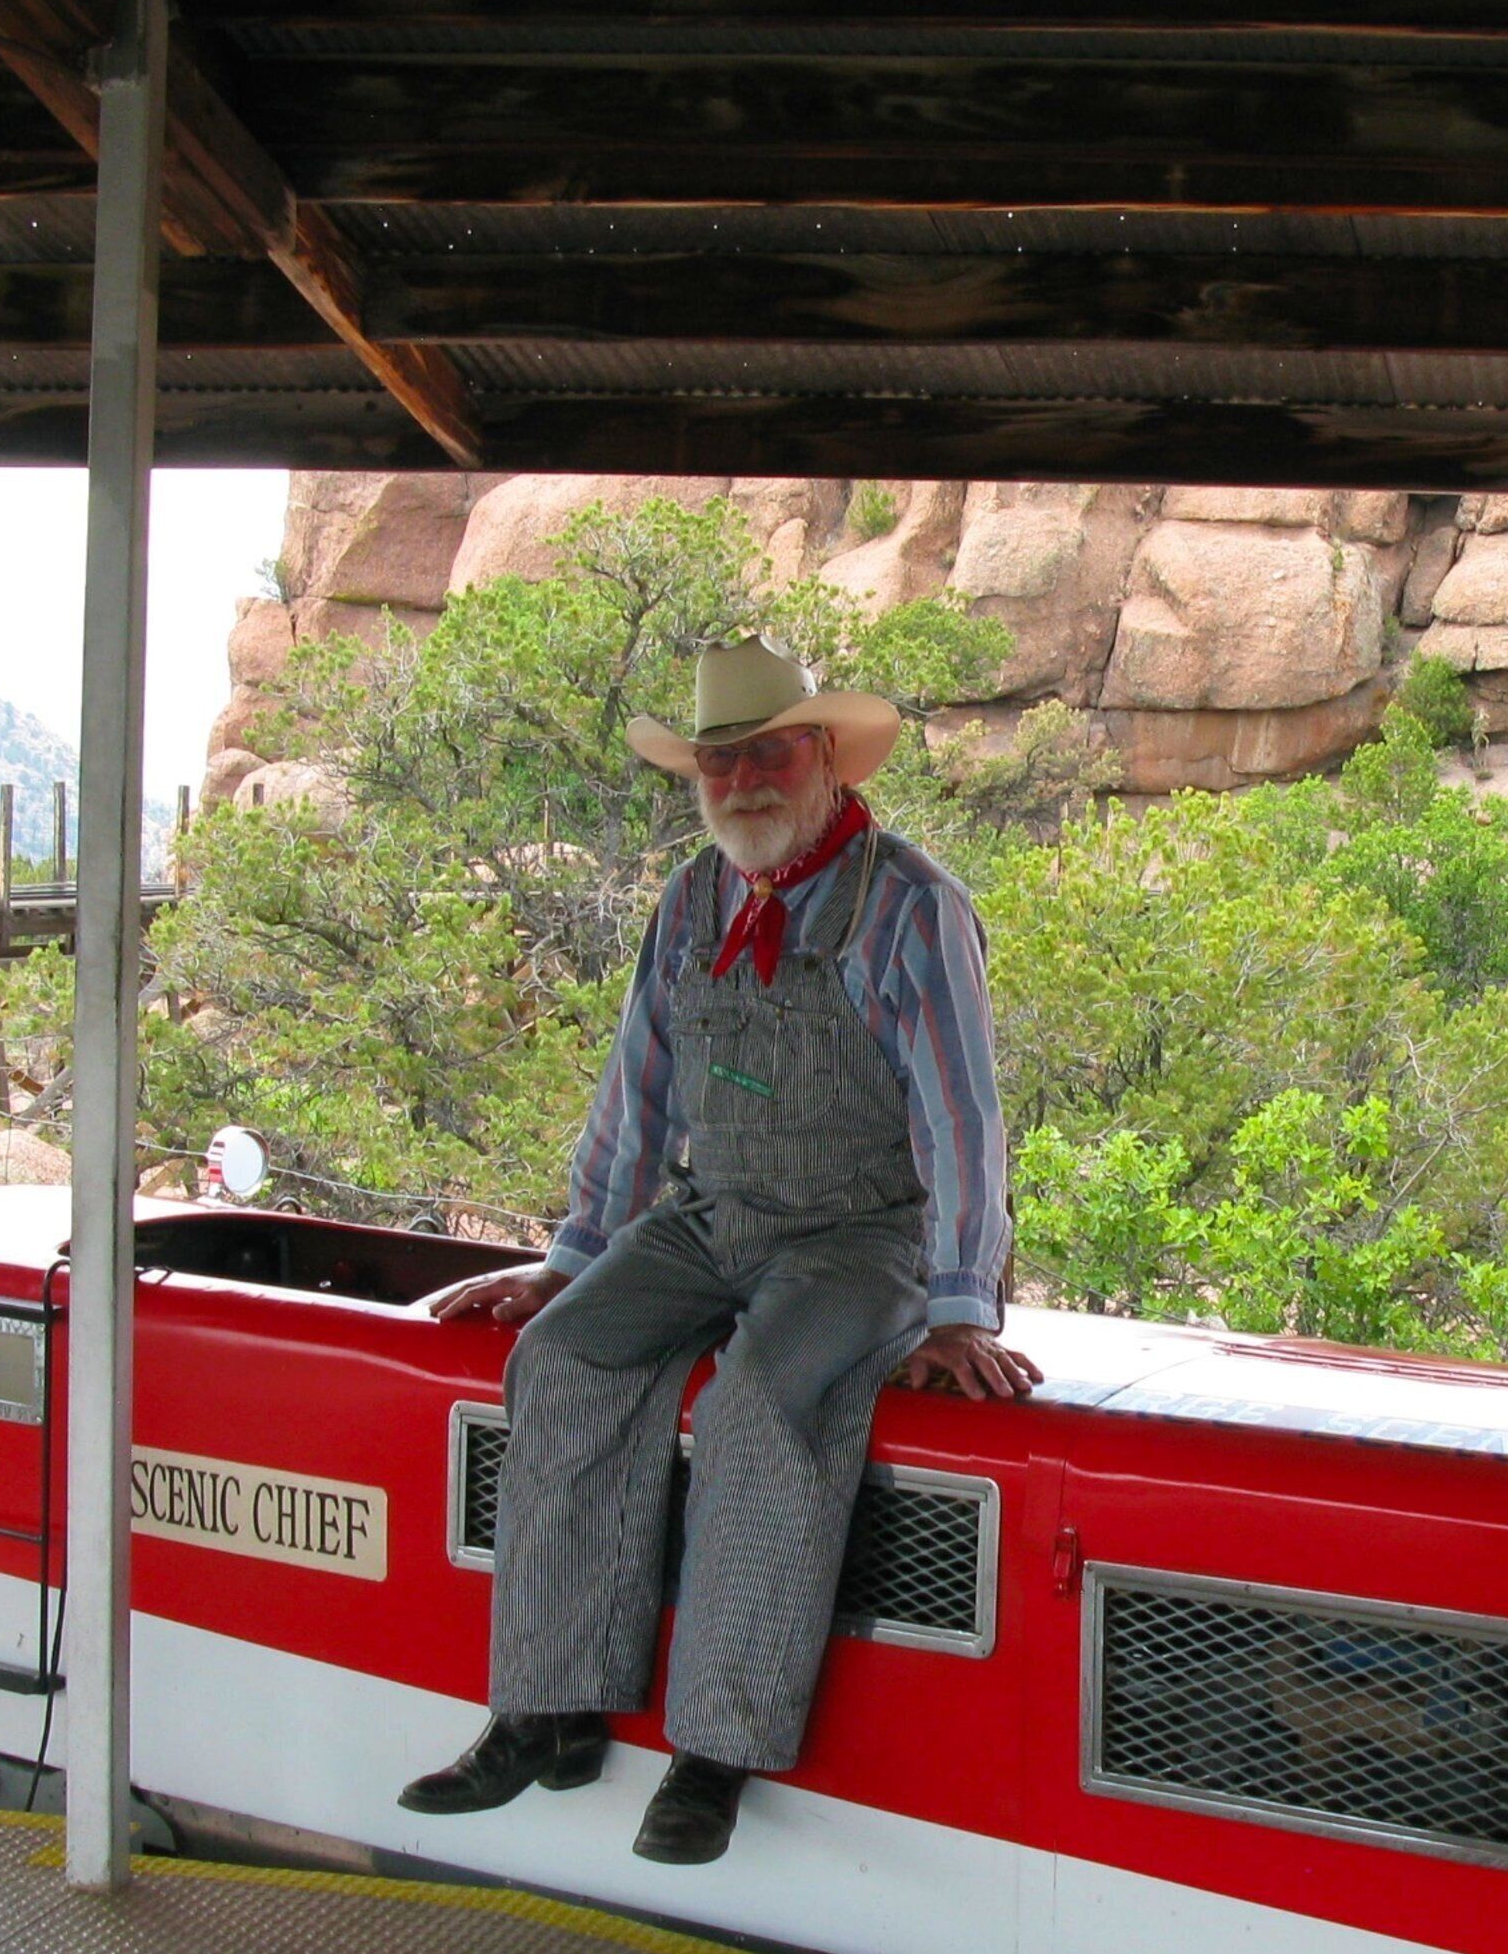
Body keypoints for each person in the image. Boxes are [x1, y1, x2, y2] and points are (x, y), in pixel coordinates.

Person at [400, 637, 1038, 1864]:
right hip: (711, 1215)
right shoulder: (693, 899)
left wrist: (962, 1308)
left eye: (766, 751)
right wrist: (570, 1260)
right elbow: (637, 1092)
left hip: (859, 1237)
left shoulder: (908, 903)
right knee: (567, 1357)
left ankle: (714, 1752)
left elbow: (963, 1116)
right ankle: (550, 1708)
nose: (740, 778)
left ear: (827, 758)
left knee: (764, 1400)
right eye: (716, 760)